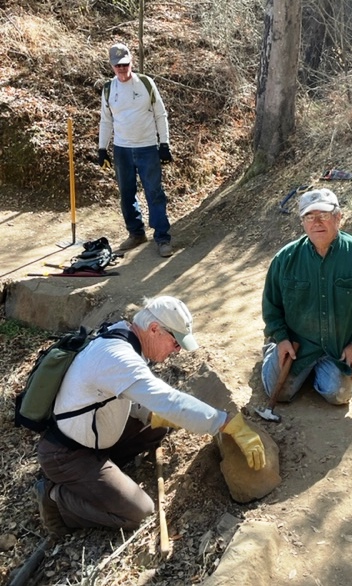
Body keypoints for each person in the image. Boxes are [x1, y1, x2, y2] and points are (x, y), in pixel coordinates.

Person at [34, 296, 265, 537]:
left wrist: (153, 416)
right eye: (175, 343)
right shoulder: (118, 356)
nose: (176, 351)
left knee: (159, 425)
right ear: (154, 329)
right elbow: (170, 401)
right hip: (67, 454)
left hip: (93, 433)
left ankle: (103, 475)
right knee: (139, 512)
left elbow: (117, 395)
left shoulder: (123, 334)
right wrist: (227, 423)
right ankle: (56, 499)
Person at [261, 188, 352, 406]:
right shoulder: (285, 259)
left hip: (337, 348)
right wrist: (281, 337)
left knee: (339, 395)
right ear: (302, 222)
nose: (317, 222)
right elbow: (271, 305)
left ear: (338, 217)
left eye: (323, 215)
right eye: (309, 217)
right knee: (279, 393)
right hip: (297, 346)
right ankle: (272, 350)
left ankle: (316, 373)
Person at [98, 42, 174, 257]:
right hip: (122, 149)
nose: (122, 69)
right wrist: (102, 149)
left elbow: (161, 114)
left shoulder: (146, 84)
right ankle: (136, 233)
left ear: (131, 62)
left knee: (154, 193)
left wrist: (164, 144)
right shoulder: (108, 88)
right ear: (111, 66)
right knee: (127, 193)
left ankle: (162, 237)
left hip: (147, 147)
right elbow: (106, 121)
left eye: (125, 64)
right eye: (117, 65)